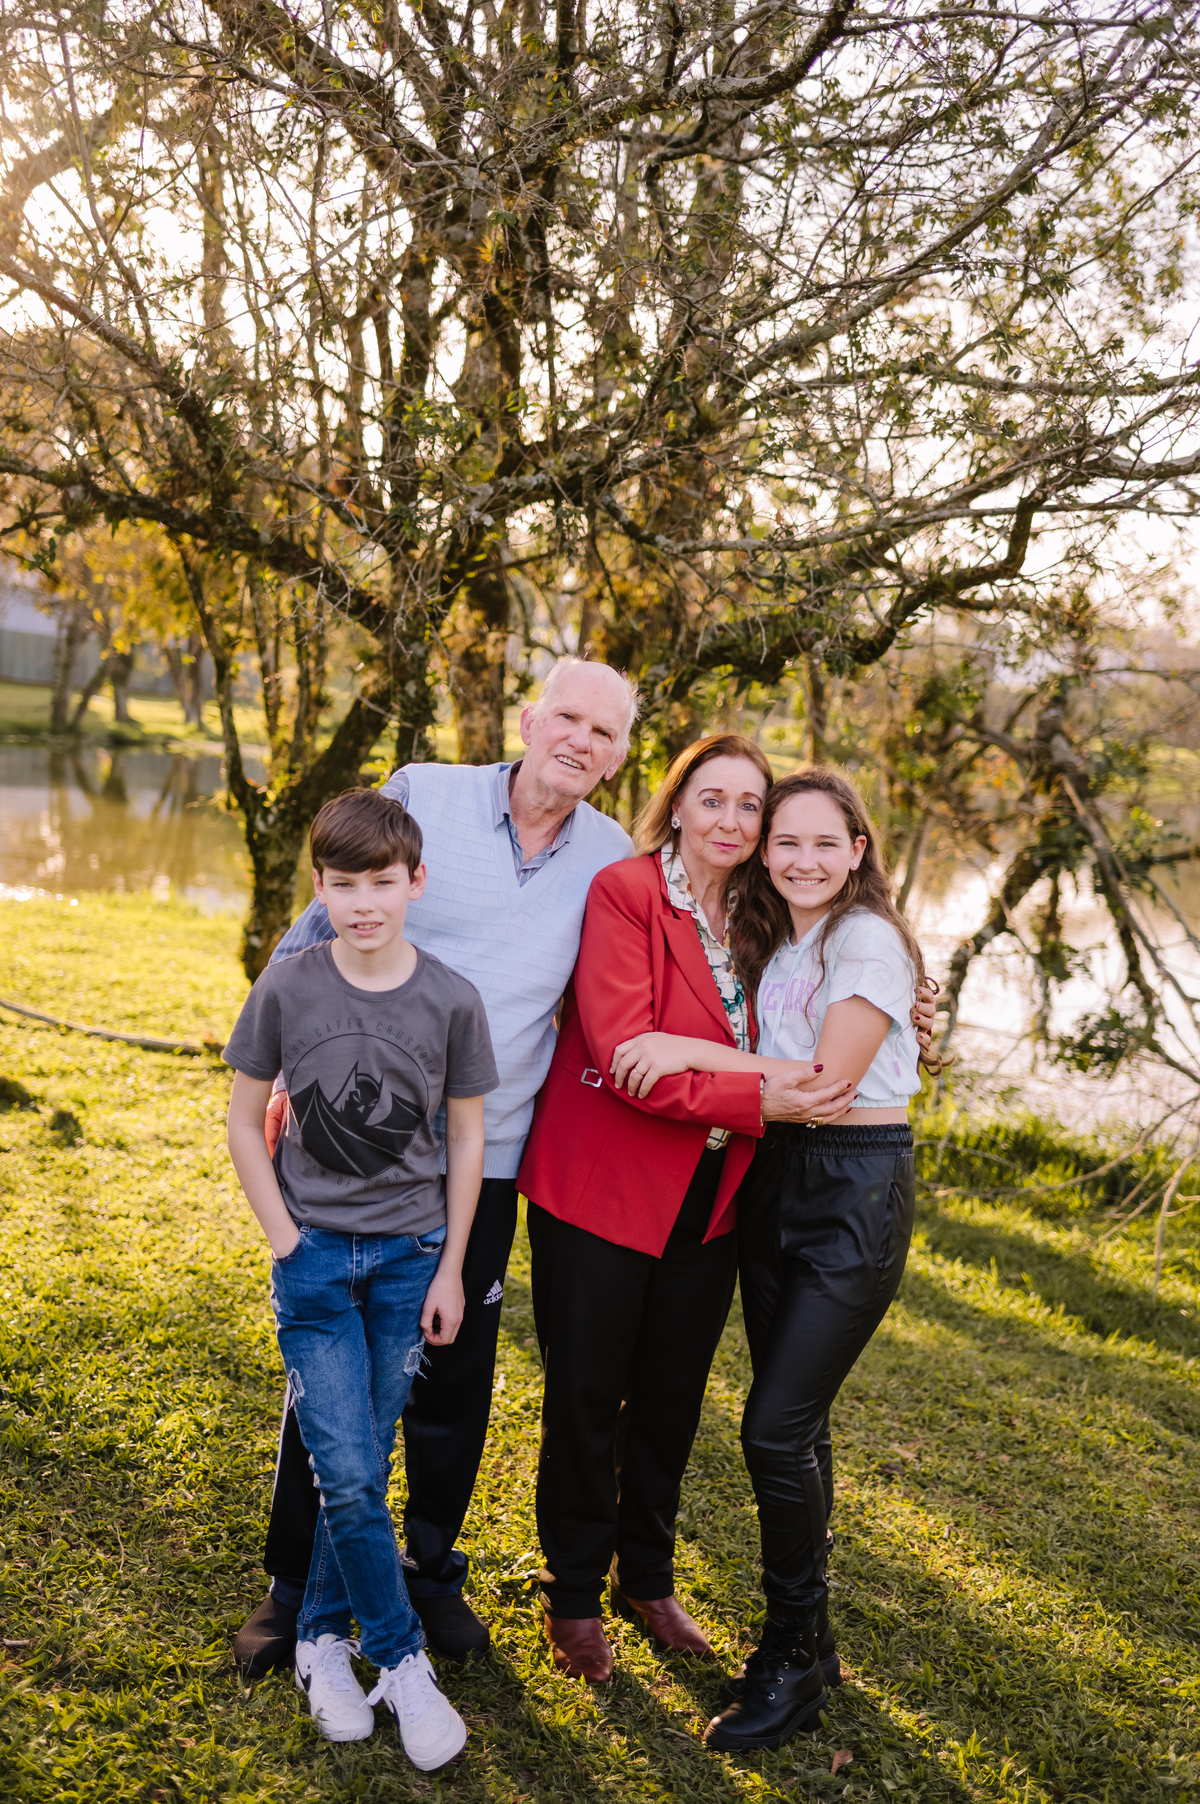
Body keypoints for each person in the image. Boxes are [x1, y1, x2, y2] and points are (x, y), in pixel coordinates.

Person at [233, 657, 638, 1678]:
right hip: (352, 1149)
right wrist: (281, 1058)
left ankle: (425, 1570)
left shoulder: (613, 856)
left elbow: (647, 981)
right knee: (329, 1367)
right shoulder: (427, 791)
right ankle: (293, 1586)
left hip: (483, 1158)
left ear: (624, 754)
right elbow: (322, 925)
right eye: (570, 719)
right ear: (531, 717)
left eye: (608, 733)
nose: (582, 743)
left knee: (452, 1373)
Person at [517, 736, 865, 1684]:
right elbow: (630, 1057)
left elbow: (837, 983)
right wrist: (763, 1098)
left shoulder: (767, 917)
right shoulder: (628, 893)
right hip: (603, 1187)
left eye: (749, 807)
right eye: (711, 800)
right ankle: (576, 1592)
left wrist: (901, 1003)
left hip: (714, 1200)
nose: (731, 822)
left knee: (670, 1400)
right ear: (677, 806)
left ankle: (648, 1577)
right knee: (588, 1399)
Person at [608, 765, 934, 1751]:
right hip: (774, 1177)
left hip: (853, 1189)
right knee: (802, 1428)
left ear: (860, 850)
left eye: (824, 843)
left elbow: (831, 1083)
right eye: (783, 840)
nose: (800, 858)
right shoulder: (784, 930)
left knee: (772, 1429)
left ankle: (790, 1656)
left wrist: (680, 1047)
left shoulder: (869, 937)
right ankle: (815, 1642)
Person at [224, 788, 499, 1766]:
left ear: (415, 882)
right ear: (322, 887)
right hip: (314, 1263)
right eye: (344, 884)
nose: (364, 901)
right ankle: (400, 1657)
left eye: (383, 882)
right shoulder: (291, 985)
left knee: (363, 1465)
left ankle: (319, 1644)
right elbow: (241, 1115)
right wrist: (284, 1236)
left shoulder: (452, 999)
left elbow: (468, 1138)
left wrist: (454, 1267)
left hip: (409, 1261)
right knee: (345, 1468)